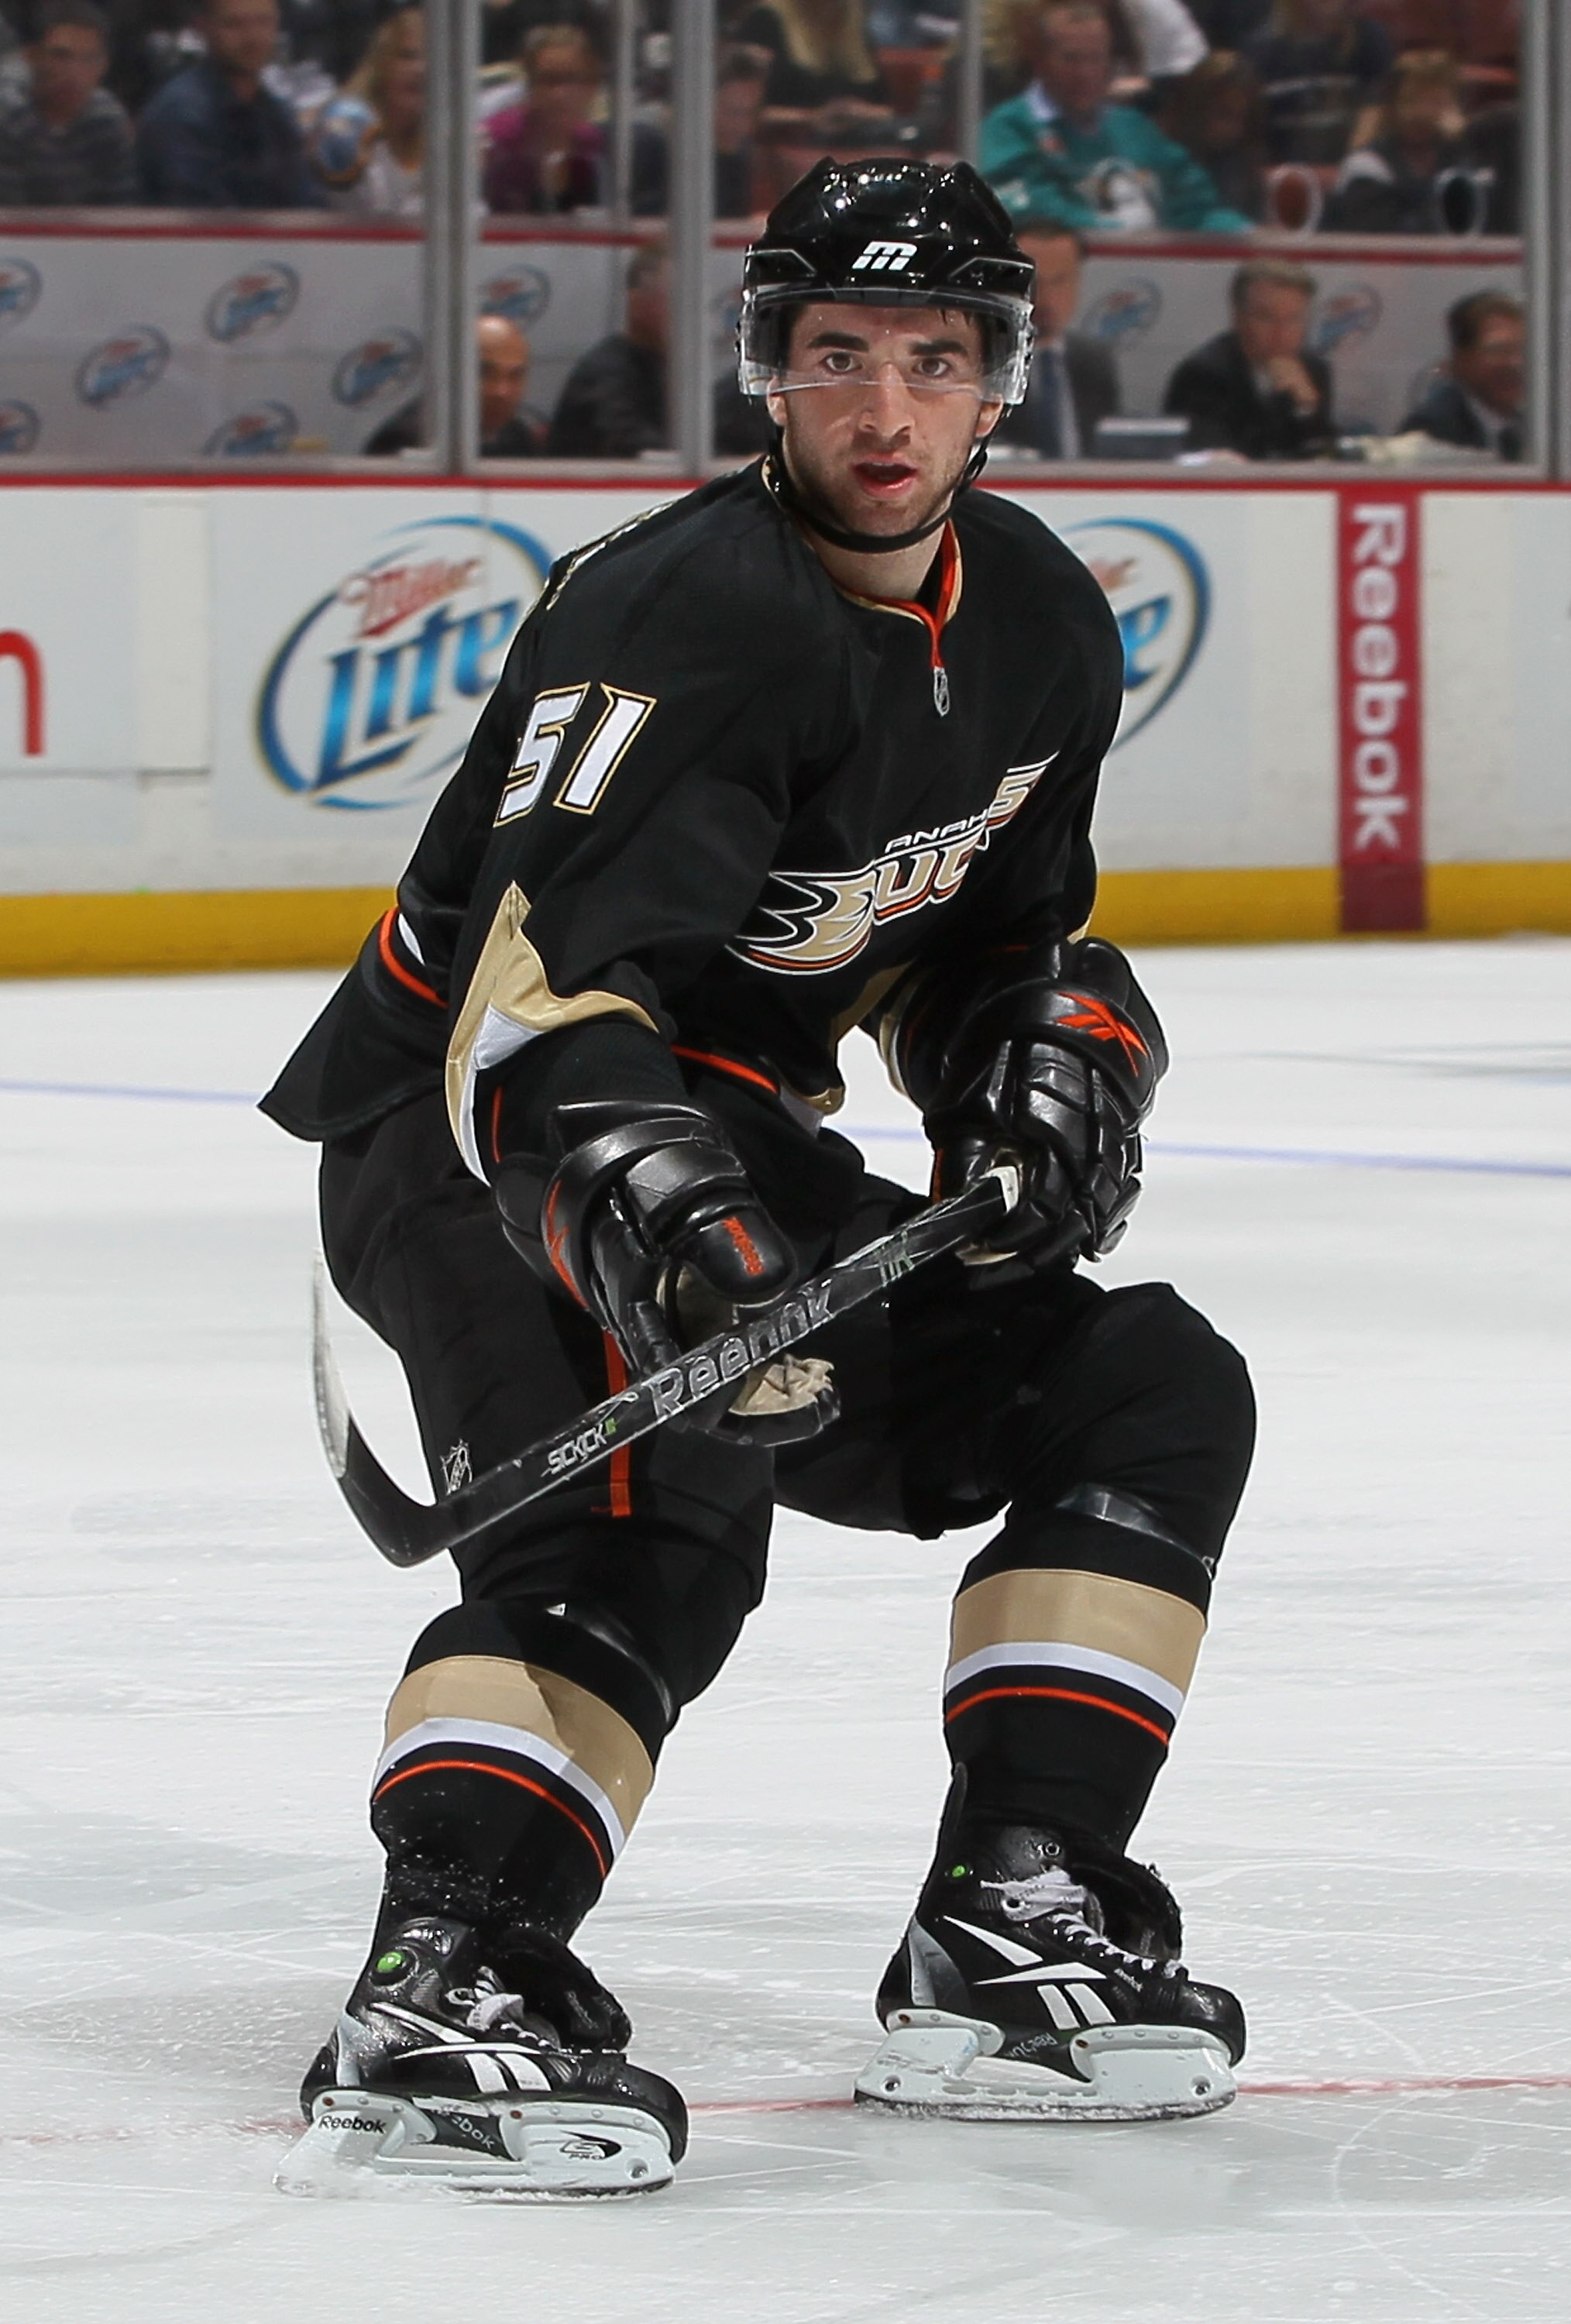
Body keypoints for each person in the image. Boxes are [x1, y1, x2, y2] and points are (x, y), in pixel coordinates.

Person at [262, 155, 1255, 2199]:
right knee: (663, 1506)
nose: (882, 411)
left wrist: (1044, 1057)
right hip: (474, 1135)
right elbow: (525, 1001)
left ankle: (1019, 1904)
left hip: (735, 1143)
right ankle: (451, 1966)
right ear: (765, 377)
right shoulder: (670, 609)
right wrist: (658, 1215)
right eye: (834, 359)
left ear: (999, 385)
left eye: (930, 360)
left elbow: (979, 939)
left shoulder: (1046, 623)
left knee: (1139, 1390)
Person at [981, 0, 1251, 234]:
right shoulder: (1008, 129)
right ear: (1039, 61)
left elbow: (1193, 205)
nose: (1085, 73)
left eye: (1095, 59)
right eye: (1071, 59)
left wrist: (1244, 233)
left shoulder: (1134, 128)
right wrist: (1121, 237)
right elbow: (1033, 213)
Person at [136, 0, 325, 206]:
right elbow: (201, 220)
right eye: (234, 24)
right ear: (203, 28)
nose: (253, 37)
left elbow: (306, 203)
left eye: (264, 22)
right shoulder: (180, 114)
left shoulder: (277, 115)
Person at [1163, 256, 1332, 458]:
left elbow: (1325, 456)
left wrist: (1306, 408)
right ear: (1238, 317)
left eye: (1294, 319)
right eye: (1266, 318)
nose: (1281, 333)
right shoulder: (1204, 373)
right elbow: (1216, 456)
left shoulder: (1314, 370)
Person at [993, 222, 1119, 457]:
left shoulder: (1095, 362)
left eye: (1060, 281)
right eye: (1033, 282)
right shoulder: (985, 359)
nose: (1047, 297)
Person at [1322, 50, 1474, 236]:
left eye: (1437, 101)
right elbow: (1385, 235)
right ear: (1393, 107)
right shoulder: (1366, 165)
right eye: (1413, 100)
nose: (1424, 111)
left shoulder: (1461, 157)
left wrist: (1464, 140)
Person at [0, 0, 135, 204]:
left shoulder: (107, 120)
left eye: (89, 59)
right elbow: (11, 216)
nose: (74, 73)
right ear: (32, 57)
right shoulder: (9, 116)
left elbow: (120, 208)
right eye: (60, 56)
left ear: (104, 65)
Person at [365, 311, 549, 457]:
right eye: (484, 373)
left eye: (515, 376)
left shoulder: (518, 437)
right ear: (452, 372)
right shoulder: (411, 438)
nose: (501, 391)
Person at [546, 240, 669, 457]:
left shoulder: (669, 370)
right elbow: (632, 447)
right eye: (672, 298)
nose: (688, 313)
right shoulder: (605, 374)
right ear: (636, 301)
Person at [1243, 0, 1391, 170]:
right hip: (1282, 175)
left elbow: (1375, 112)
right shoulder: (1260, 50)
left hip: (1351, 174)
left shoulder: (1370, 38)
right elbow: (1253, 133)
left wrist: (1348, 169)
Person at [313, 3, 424, 218]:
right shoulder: (344, 127)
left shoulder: (451, 136)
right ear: (382, 64)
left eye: (430, 59)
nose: (420, 69)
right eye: (407, 56)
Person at [483, 22, 604, 215]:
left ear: (591, 87)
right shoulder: (497, 140)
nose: (559, 94)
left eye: (571, 80)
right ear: (529, 87)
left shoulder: (592, 144)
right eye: (548, 81)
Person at [729, 0, 893, 142]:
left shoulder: (853, 25)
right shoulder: (765, 20)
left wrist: (859, 113)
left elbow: (887, 111)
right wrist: (813, 117)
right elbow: (745, 113)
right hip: (792, 146)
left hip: (862, 143)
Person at [1399, 290, 1524, 462]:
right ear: (1461, 359)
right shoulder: (1433, 429)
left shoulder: (1537, 428)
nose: (1516, 363)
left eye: (1524, 350)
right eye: (1499, 350)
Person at [1154, 46, 1267, 222]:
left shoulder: (1242, 167)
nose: (1235, 129)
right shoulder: (1159, 156)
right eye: (1224, 114)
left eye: (1242, 118)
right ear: (1197, 107)